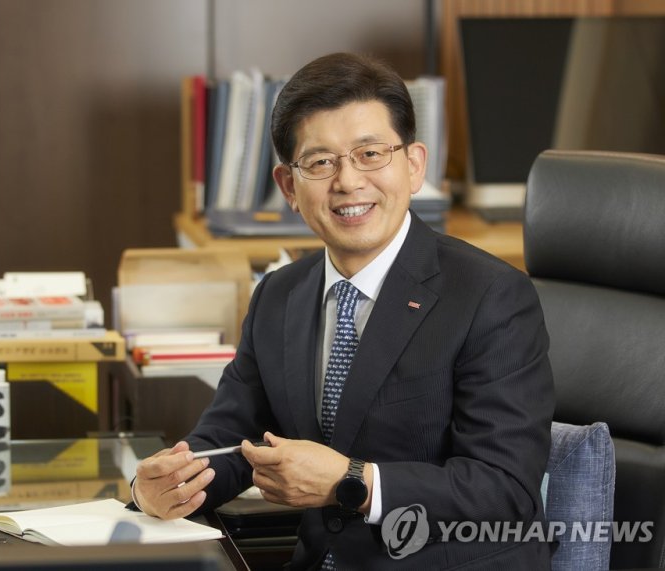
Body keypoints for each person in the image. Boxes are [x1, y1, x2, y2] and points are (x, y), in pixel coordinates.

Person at [130, 52, 554, 570]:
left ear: (414, 165)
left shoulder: (492, 296)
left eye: (370, 153)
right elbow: (232, 442)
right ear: (289, 187)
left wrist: (352, 482)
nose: (348, 181)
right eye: (320, 162)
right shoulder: (279, 295)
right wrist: (163, 486)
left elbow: (506, 490)